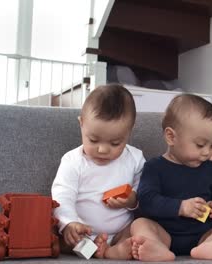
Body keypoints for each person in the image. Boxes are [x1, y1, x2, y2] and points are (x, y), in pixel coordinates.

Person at [130, 94, 212, 261]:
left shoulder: (209, 168)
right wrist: (180, 207)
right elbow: (146, 200)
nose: (207, 152)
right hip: (164, 234)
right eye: (201, 145)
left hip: (202, 234)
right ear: (171, 137)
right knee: (140, 224)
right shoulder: (154, 167)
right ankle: (156, 247)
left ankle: (207, 248)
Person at [52, 84, 145, 259]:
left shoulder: (136, 159)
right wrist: (69, 223)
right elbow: (62, 195)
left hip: (121, 230)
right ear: (82, 124)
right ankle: (94, 250)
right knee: (65, 239)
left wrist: (132, 199)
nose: (102, 150)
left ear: (129, 132)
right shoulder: (73, 161)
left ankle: (115, 249)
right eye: (93, 139)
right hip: (83, 230)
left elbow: (146, 191)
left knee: (141, 226)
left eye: (115, 143)